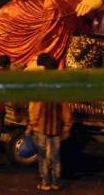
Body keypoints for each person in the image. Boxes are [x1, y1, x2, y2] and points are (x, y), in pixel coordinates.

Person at [26, 54, 72, 191]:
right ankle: (56, 182)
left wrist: (31, 124)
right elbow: (65, 108)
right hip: (56, 128)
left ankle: (45, 183)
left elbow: (37, 107)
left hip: (42, 128)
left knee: (42, 156)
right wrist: (67, 126)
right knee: (56, 157)